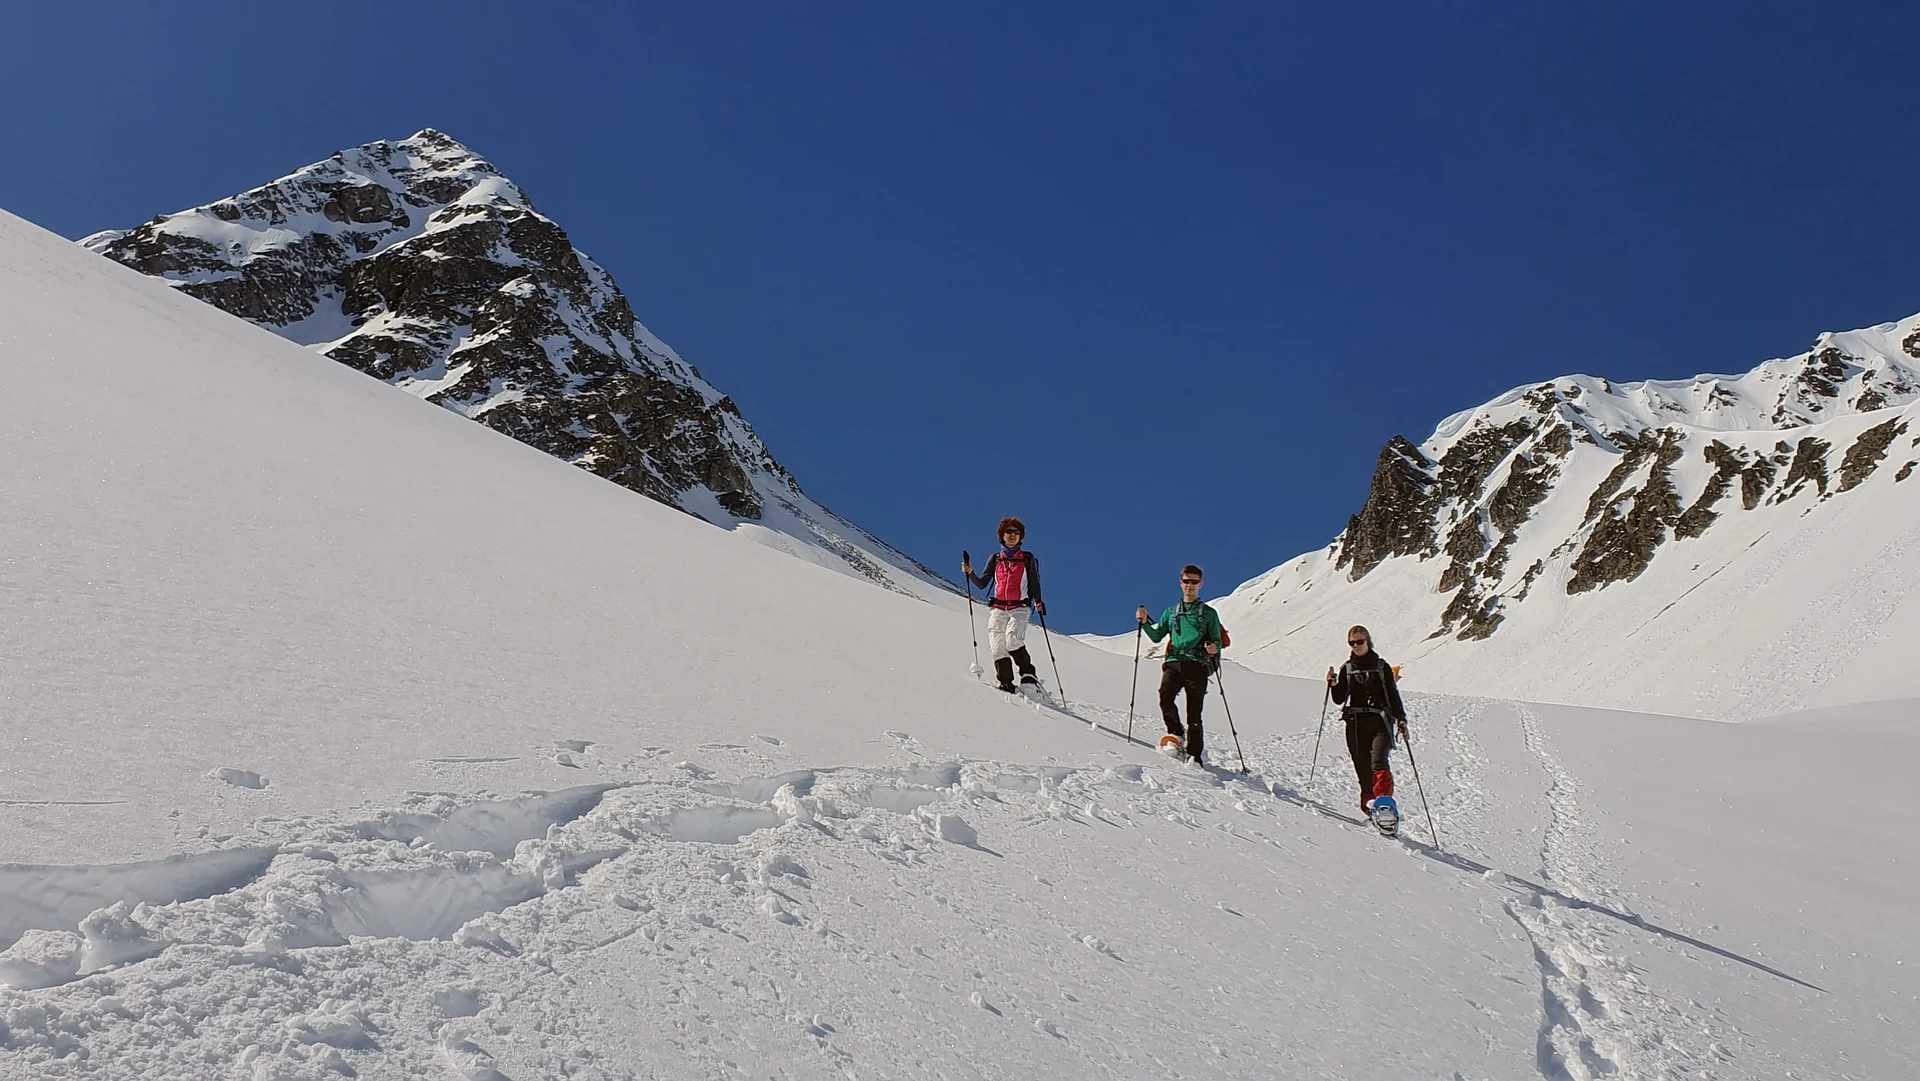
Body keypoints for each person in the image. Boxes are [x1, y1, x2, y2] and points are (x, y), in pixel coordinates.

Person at [1136, 565, 1222, 760]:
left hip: (1197, 664)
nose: (1189, 586)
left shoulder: (1209, 614)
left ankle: (1194, 755)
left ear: (1200, 584)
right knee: (1165, 696)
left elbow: (1217, 640)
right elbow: (1157, 636)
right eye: (1186, 581)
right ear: (1180, 583)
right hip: (1175, 662)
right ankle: (1176, 733)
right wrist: (1145, 623)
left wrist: (1214, 648)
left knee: (1194, 713)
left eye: (1193, 582)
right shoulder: (1171, 612)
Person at [1326, 625, 1408, 823]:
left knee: (1378, 760)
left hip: (1380, 721)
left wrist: (1401, 719)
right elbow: (1339, 698)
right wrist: (1333, 684)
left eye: (1360, 641)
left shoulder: (1382, 667)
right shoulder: (1347, 668)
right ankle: (1371, 807)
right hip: (1355, 724)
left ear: (1368, 641)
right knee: (1362, 766)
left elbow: (1392, 695)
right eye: (1352, 643)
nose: (1356, 646)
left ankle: (1383, 804)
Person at [962, 517, 1045, 693]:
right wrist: (970, 573)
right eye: (1009, 532)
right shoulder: (996, 559)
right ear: (1002, 535)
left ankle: (1029, 676)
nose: (1013, 535)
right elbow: (983, 583)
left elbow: (1034, 582)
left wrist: (1038, 600)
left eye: (1016, 532)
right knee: (997, 646)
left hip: (1020, 607)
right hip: (998, 607)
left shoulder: (1027, 558)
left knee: (1012, 639)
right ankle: (1006, 683)